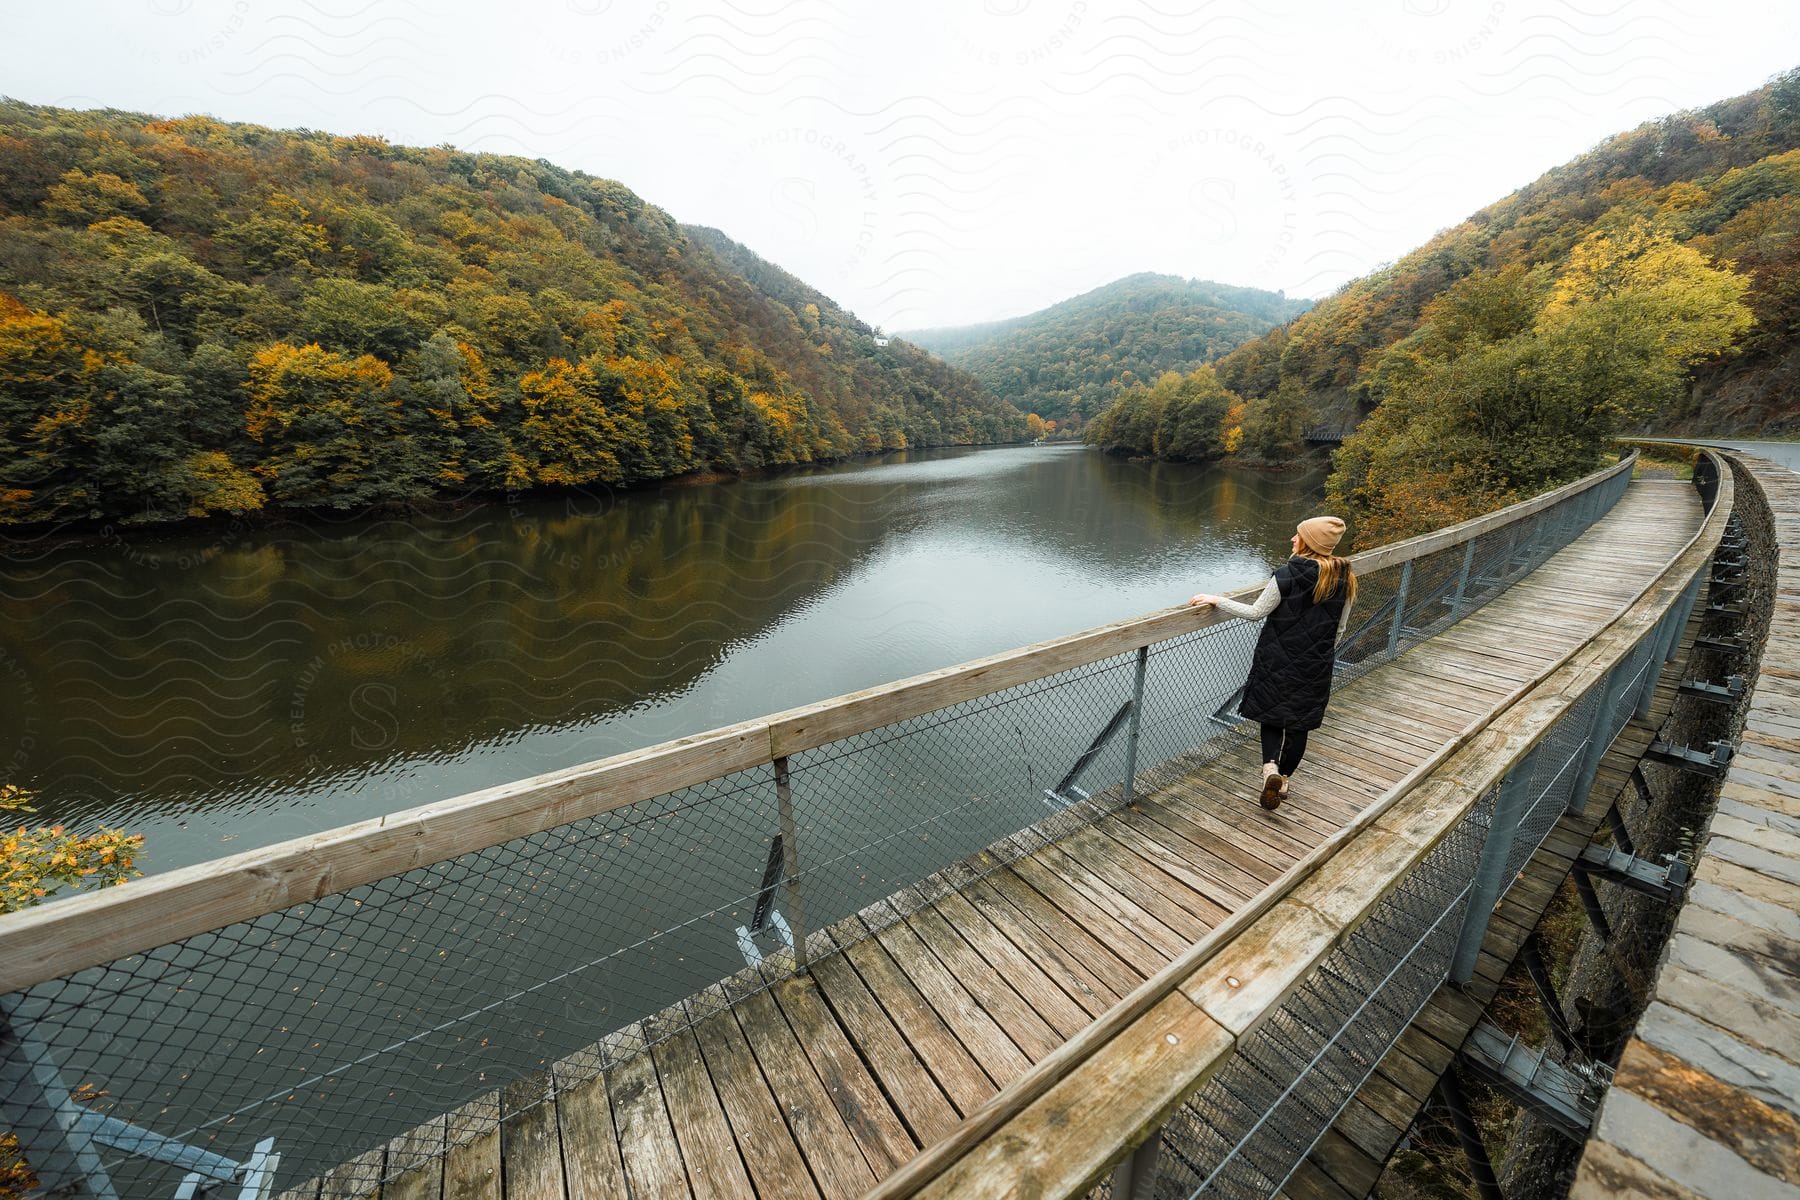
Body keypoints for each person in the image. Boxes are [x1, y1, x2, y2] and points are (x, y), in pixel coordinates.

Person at [1189, 515, 1357, 810]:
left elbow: (1256, 612)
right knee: (1299, 724)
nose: (1292, 539)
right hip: (1316, 664)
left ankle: (1270, 769)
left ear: (1309, 542)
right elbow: (1339, 630)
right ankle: (1286, 778)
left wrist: (1216, 599)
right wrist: (1320, 656)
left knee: (1272, 717)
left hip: (1277, 660)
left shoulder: (1287, 574)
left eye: (1297, 535)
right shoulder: (1345, 579)